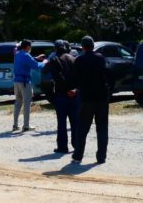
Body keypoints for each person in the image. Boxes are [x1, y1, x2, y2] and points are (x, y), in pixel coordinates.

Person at [71, 36, 109, 164]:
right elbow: (106, 74)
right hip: (102, 97)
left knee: (82, 128)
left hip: (87, 98)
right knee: (102, 128)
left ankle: (78, 156)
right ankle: (101, 157)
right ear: (93, 46)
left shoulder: (79, 60)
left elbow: (75, 79)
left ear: (82, 47)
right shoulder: (100, 58)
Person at [44, 39, 79, 153]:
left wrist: (51, 97)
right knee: (75, 122)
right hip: (74, 94)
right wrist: (75, 90)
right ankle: (77, 145)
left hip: (61, 95)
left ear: (55, 49)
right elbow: (81, 78)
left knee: (62, 123)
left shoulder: (53, 60)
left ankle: (62, 147)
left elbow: (46, 76)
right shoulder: (74, 59)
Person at [12, 40, 46, 132]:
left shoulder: (18, 54)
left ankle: (15, 125)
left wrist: (36, 58)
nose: (31, 48)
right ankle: (26, 125)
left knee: (18, 102)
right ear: (27, 47)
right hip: (25, 82)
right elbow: (36, 66)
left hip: (16, 82)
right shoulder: (27, 55)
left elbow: (27, 60)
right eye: (30, 46)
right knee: (27, 103)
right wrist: (45, 63)